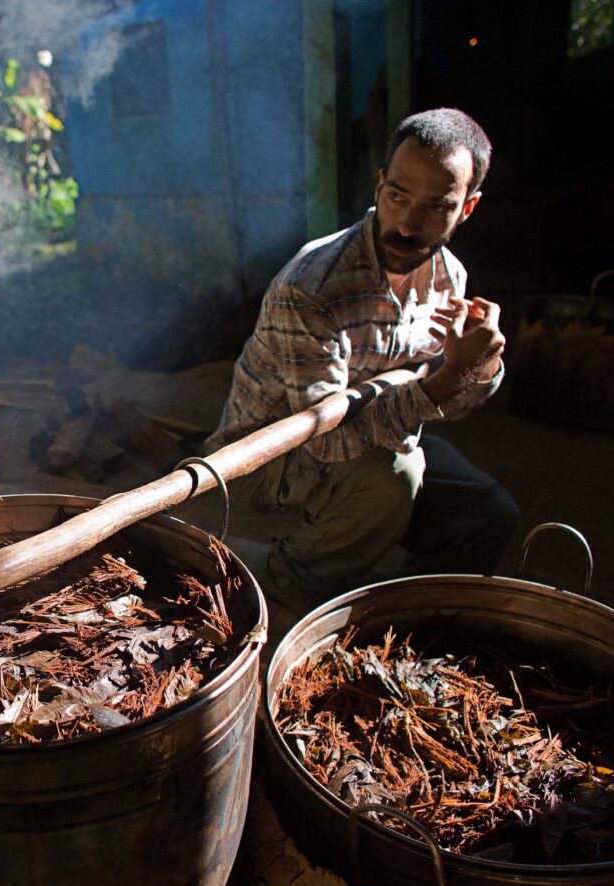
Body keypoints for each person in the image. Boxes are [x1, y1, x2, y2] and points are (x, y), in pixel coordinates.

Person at [208, 108, 519, 620]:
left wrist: (479, 365)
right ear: (379, 186)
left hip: (375, 435)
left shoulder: (448, 276)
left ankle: (411, 620)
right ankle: (294, 581)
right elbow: (326, 437)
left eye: (436, 207)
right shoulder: (311, 287)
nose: (407, 223)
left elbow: (449, 399)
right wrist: (444, 384)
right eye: (397, 195)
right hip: (265, 460)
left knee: (488, 514)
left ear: (467, 209)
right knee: (396, 473)